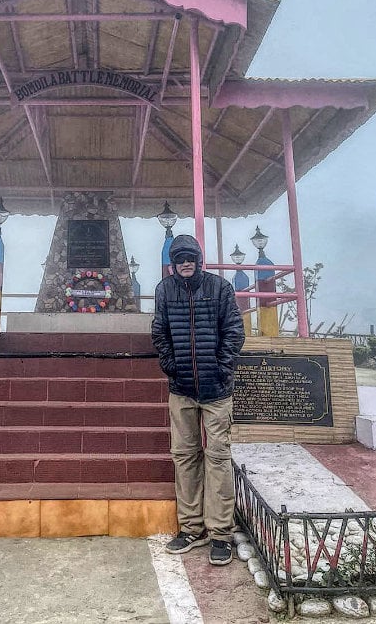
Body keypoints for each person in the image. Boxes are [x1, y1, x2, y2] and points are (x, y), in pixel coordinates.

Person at [151, 233, 245, 564]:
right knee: (184, 455)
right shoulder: (164, 291)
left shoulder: (220, 288)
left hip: (216, 390)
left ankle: (220, 532)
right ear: (173, 264)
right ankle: (191, 527)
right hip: (182, 389)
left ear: (199, 260)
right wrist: (169, 363)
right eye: (179, 259)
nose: (186, 263)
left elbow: (234, 331)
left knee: (217, 457)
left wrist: (221, 367)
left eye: (191, 258)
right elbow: (159, 332)